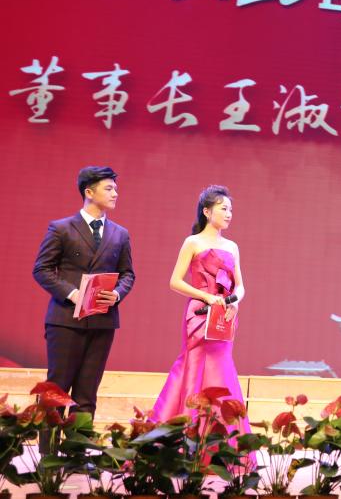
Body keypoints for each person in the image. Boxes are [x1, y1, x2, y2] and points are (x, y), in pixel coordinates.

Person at [32, 166, 135, 422]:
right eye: (109, 188)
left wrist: (117, 294)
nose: (115, 194)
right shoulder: (62, 228)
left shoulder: (120, 234)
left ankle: (77, 446)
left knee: (87, 393)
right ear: (89, 192)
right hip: (66, 320)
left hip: (102, 321)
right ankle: (49, 447)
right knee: (56, 390)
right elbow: (42, 269)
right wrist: (72, 293)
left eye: (115, 189)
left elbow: (128, 274)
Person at [151, 185, 249, 431]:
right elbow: (175, 282)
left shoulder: (232, 246)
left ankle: (219, 435)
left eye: (230, 210)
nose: (229, 214)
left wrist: (234, 301)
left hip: (224, 314)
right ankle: (188, 430)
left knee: (222, 367)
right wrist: (206, 297)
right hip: (199, 314)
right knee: (194, 365)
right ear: (207, 211)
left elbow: (240, 286)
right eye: (223, 209)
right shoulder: (193, 242)